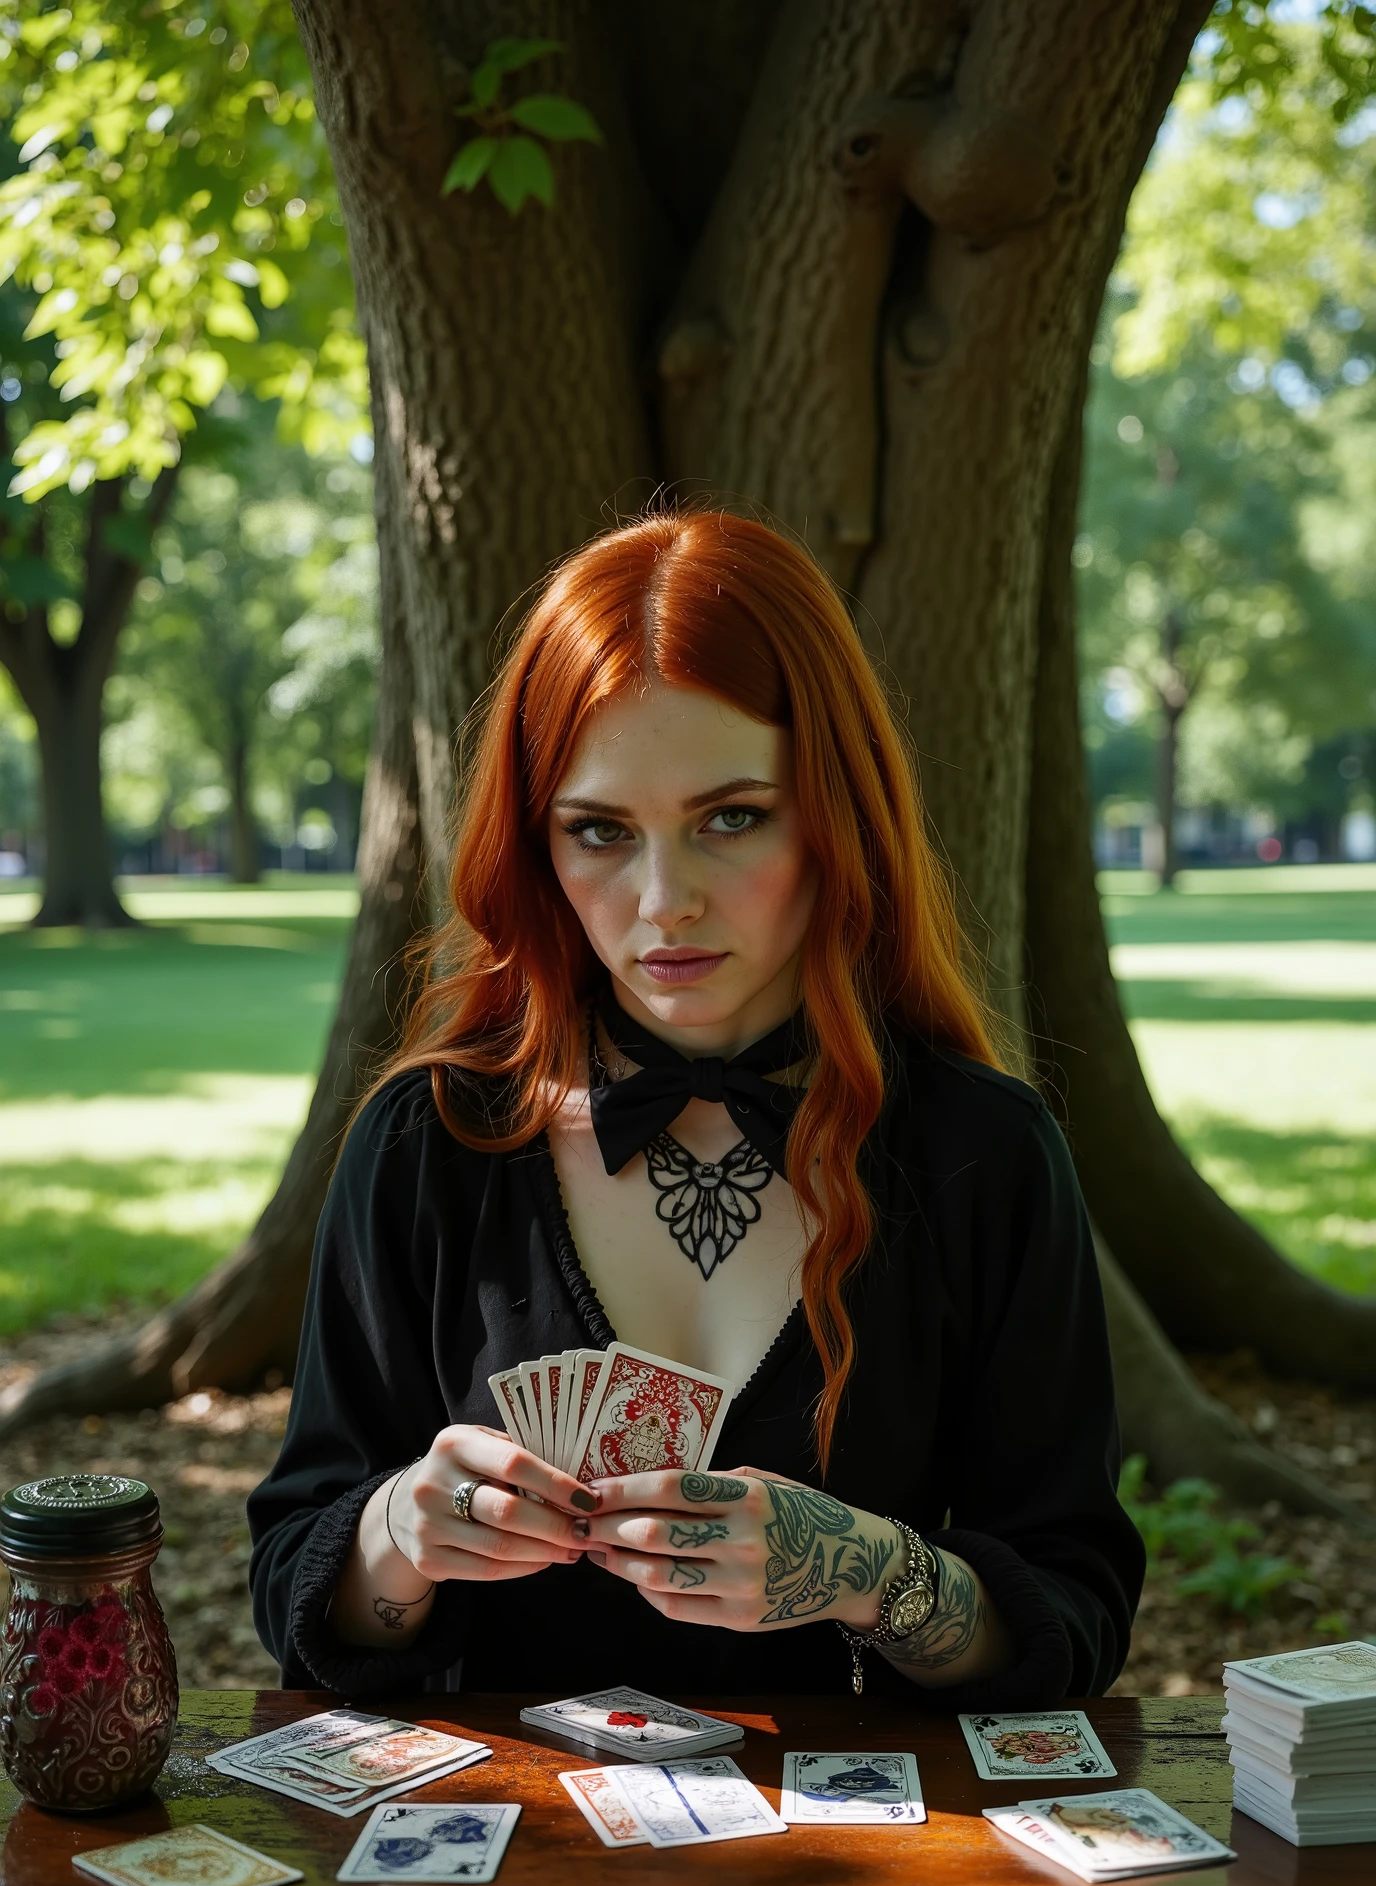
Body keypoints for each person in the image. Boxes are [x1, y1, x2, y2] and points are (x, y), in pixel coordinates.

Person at [248, 509, 1144, 1707]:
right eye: (599, 832)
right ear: (535, 844)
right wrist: (398, 1537)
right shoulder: (429, 1145)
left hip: (866, 1860)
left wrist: (870, 1571)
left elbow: (1075, 1614)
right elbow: (292, 1586)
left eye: (732, 816)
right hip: (508, 1869)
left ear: (836, 814)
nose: (662, 902)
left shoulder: (984, 1153)